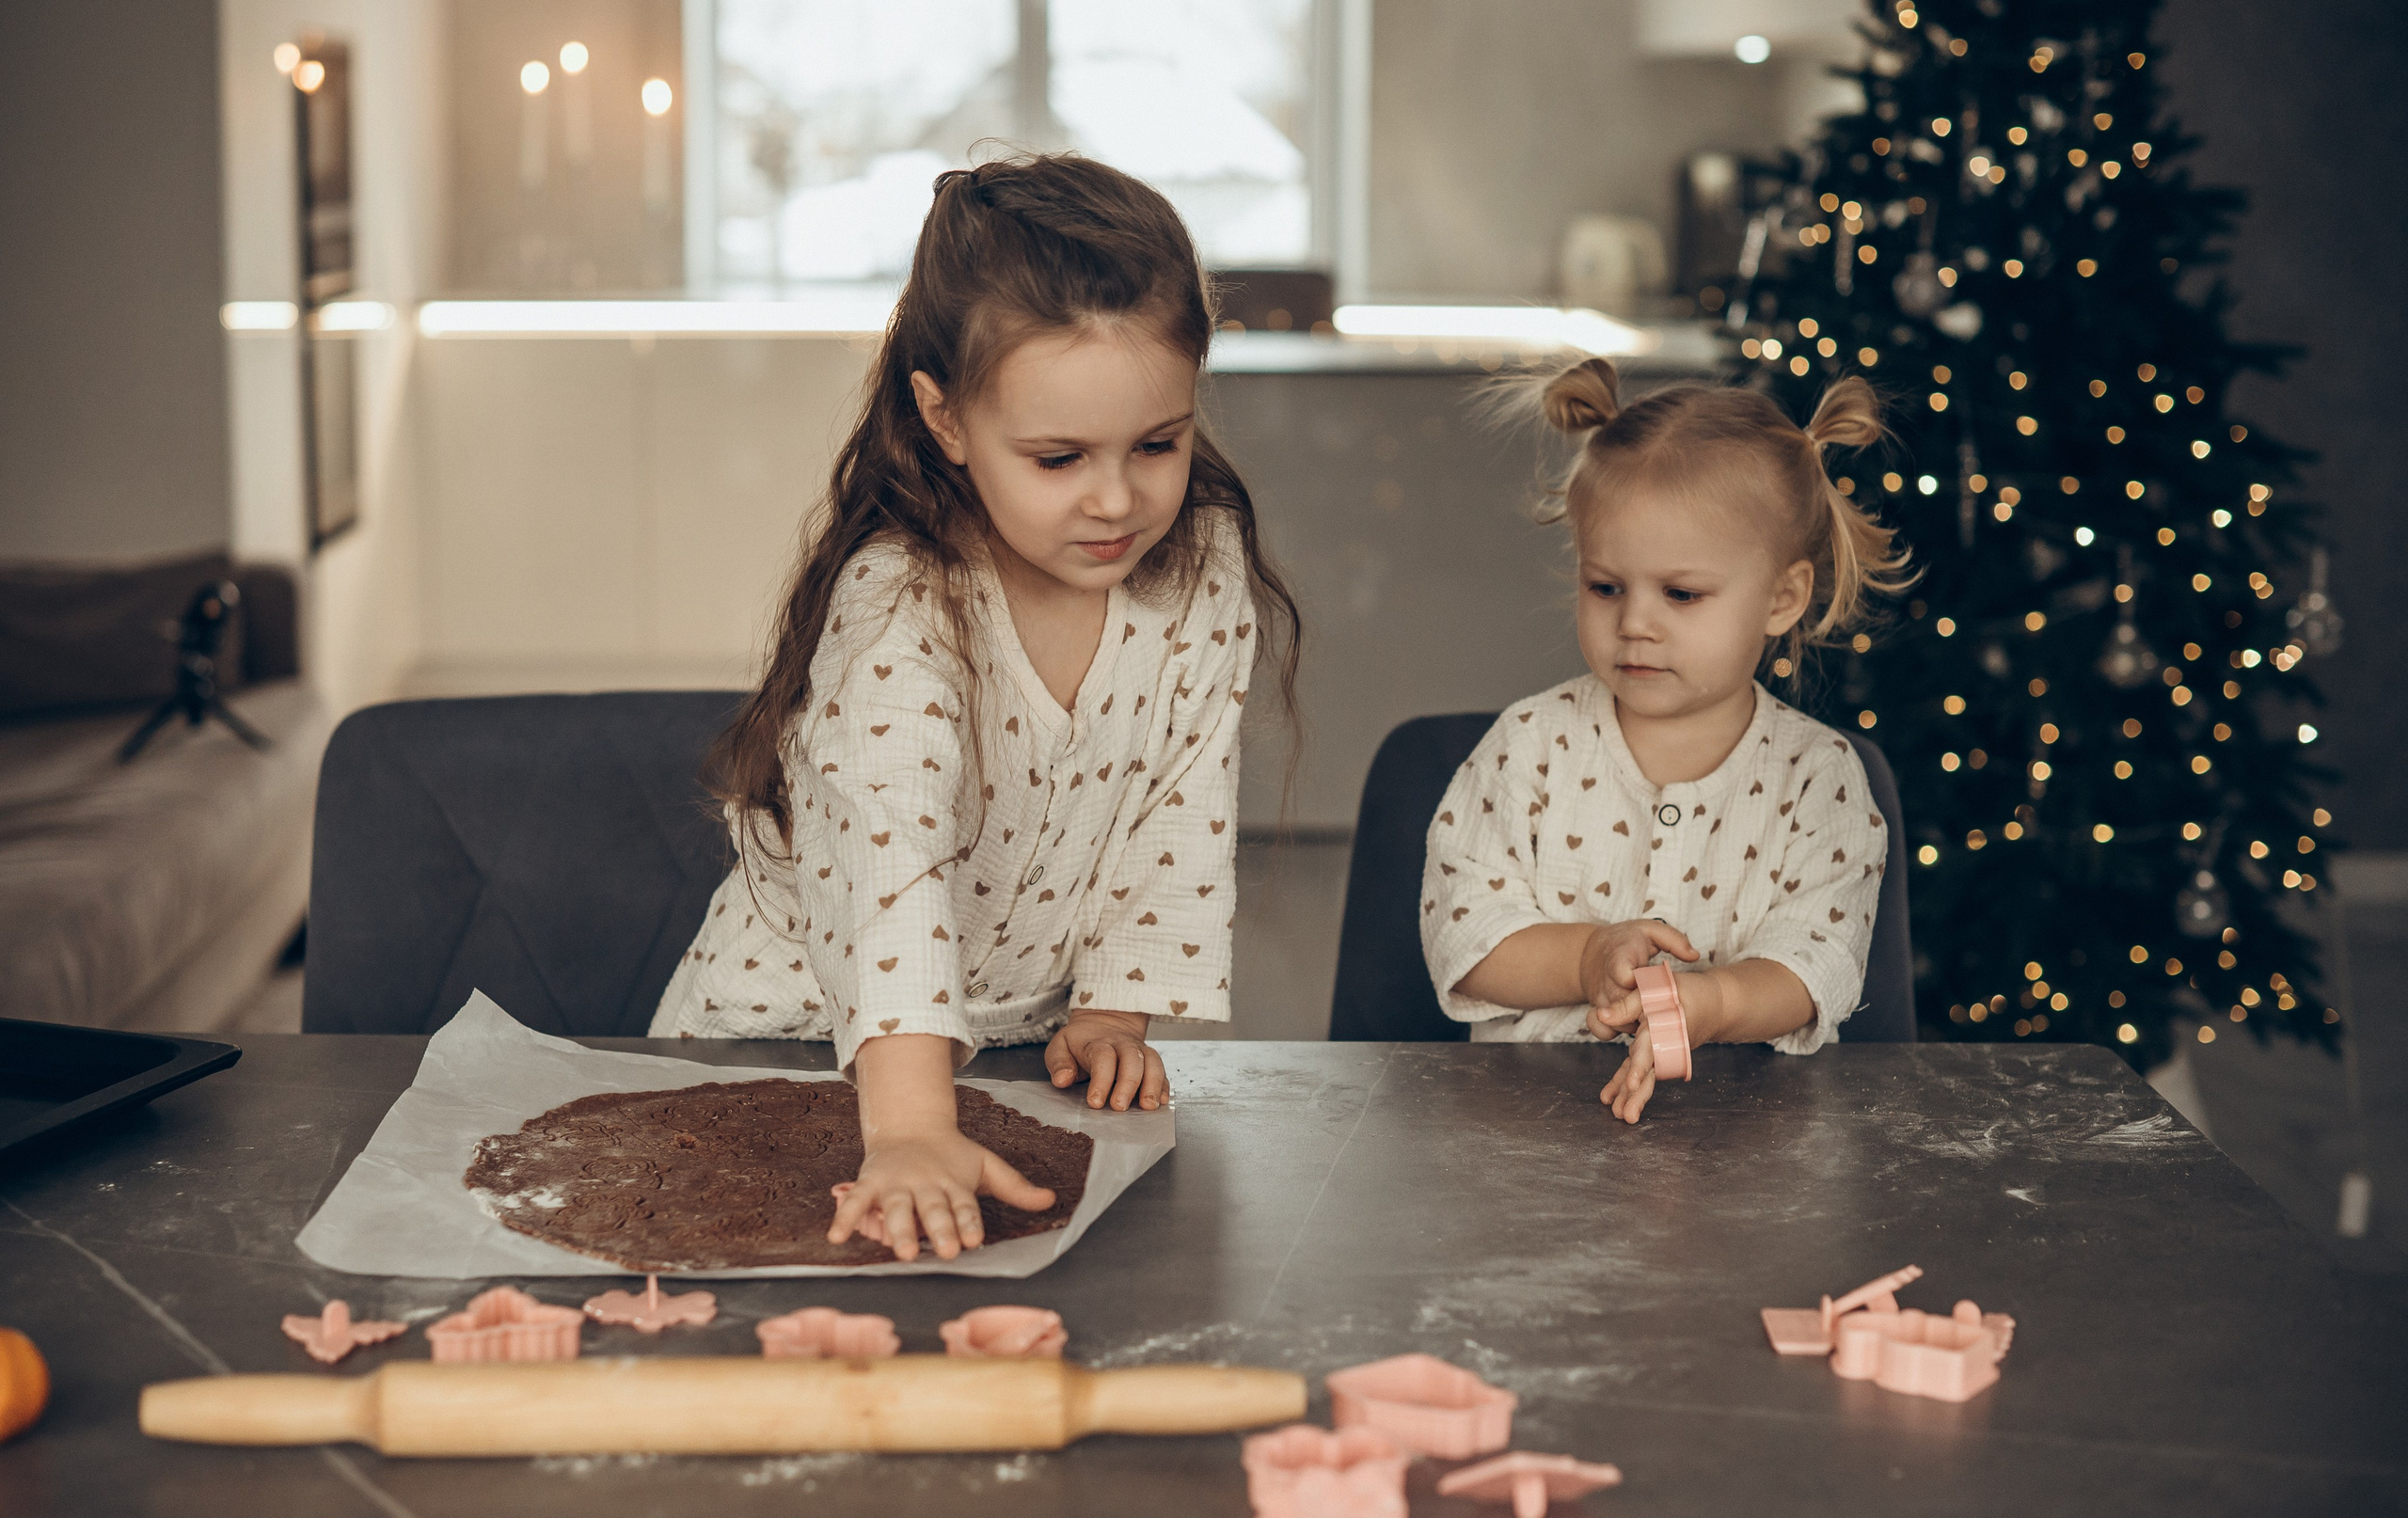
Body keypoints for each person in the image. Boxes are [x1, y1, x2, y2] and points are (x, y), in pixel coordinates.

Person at [651, 154, 1298, 1257]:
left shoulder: (1200, 568)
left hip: (1004, 1059)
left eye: (1159, 443)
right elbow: (886, 852)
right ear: (946, 419)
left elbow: (1178, 807)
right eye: (1058, 457)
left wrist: (1113, 1006)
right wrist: (904, 1124)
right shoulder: (901, 601)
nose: (1117, 499)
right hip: (790, 1046)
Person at [1420, 358, 1910, 1122]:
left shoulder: (1819, 779)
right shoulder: (1528, 746)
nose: (1635, 623)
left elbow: (1819, 965)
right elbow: (1464, 933)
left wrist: (1711, 1001)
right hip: (1532, 1131)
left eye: (1681, 594)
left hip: (1749, 1136)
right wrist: (1586, 957)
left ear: (1782, 597)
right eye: (1605, 586)